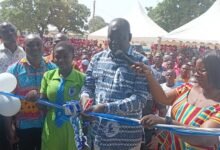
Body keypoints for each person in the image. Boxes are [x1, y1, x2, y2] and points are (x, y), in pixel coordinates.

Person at [80, 18, 150, 150]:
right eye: (111, 38)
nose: (114, 42)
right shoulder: (97, 58)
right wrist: (85, 98)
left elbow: (140, 100)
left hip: (125, 140)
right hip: (98, 135)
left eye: (120, 38)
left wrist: (105, 108)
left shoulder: (140, 62)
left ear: (129, 37)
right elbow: (88, 86)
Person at [132, 50, 220, 149]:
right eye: (195, 70)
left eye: (202, 70)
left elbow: (204, 137)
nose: (196, 74)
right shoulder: (187, 88)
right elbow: (163, 98)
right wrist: (148, 75)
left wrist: (166, 122)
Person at [6, 34, 56, 150]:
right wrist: (10, 126)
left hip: (47, 125)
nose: (35, 48)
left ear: (43, 47)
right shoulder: (14, 70)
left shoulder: (53, 69)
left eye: (38, 44)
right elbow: (8, 101)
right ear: (24, 47)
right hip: (23, 127)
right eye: (30, 45)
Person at [40, 41, 85, 150]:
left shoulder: (82, 78)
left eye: (65, 56)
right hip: (51, 126)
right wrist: (36, 99)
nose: (61, 60)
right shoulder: (48, 76)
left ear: (73, 56)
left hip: (73, 127)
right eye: (57, 57)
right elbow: (42, 105)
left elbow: (86, 106)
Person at [0, 22, 25, 150]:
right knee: (5, 138)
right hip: (2, 104)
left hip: (23, 102)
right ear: (0, 35)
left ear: (16, 33)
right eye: (5, 31)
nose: (9, 33)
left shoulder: (25, 53)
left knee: (21, 137)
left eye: (12, 30)